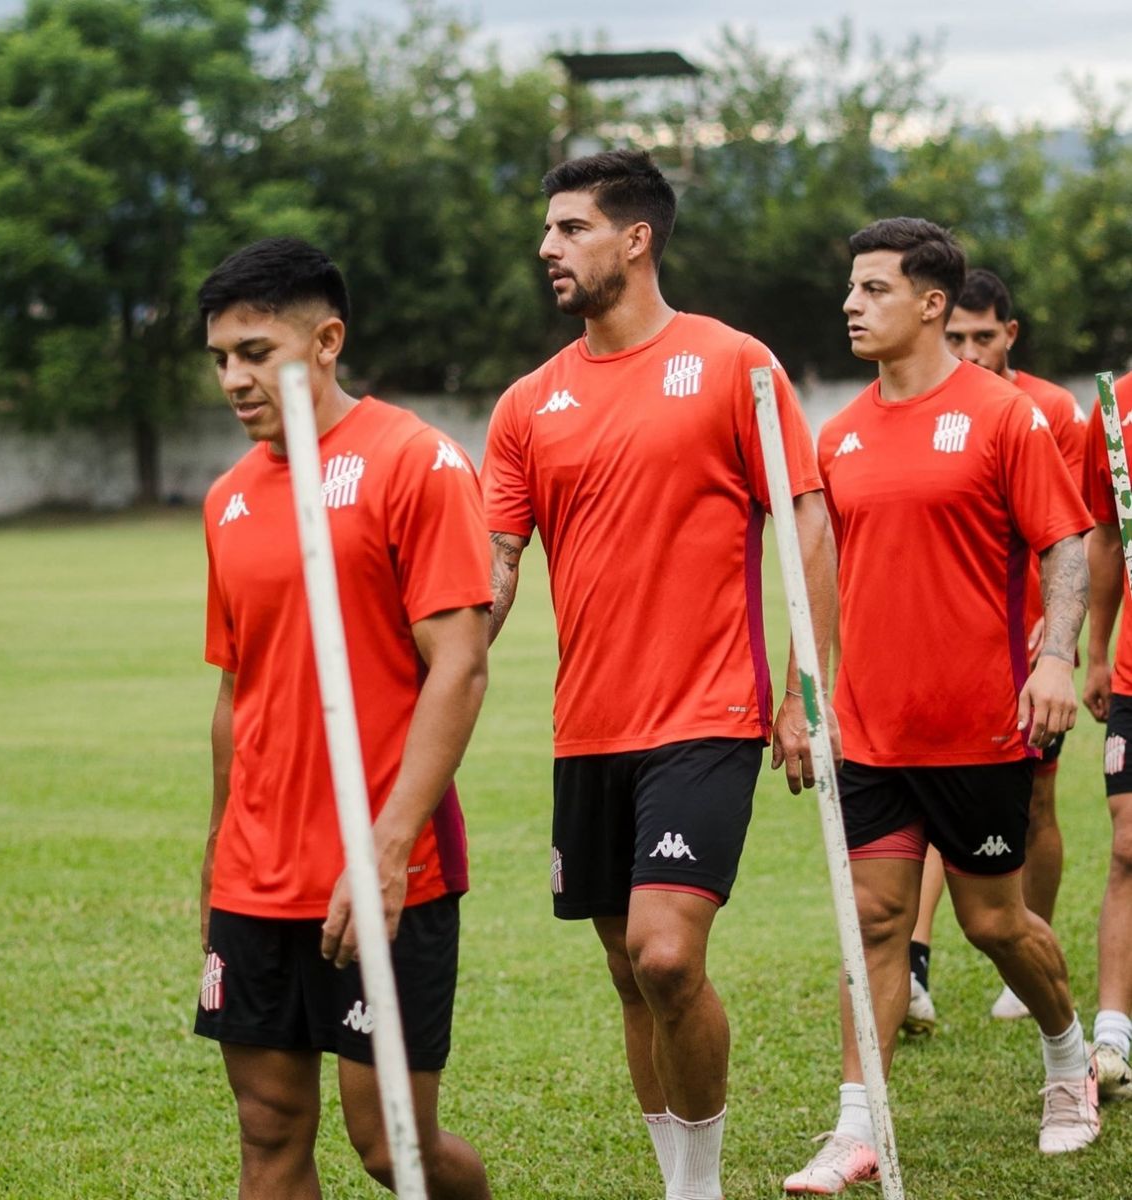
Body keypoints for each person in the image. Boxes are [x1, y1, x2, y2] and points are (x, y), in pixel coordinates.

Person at [481, 148, 839, 1200]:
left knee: (667, 955)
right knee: (628, 974)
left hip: (707, 712)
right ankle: (677, 1178)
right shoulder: (525, 405)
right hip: (586, 726)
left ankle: (699, 1187)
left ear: (634, 239)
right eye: (547, 230)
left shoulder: (732, 364)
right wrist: (424, 666)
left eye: (570, 228)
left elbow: (807, 521)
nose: (547, 248)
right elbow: (493, 571)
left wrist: (801, 692)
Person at [784, 218, 1097, 1194]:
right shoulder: (836, 434)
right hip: (871, 731)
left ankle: (1066, 1061)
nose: (849, 304)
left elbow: (1066, 546)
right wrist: (805, 696)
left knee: (993, 924)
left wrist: (1053, 657)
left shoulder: (1003, 417)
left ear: (929, 303)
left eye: (872, 288)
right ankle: (853, 1127)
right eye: (849, 287)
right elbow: (821, 572)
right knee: (873, 922)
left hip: (976, 726)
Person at [194, 236, 494, 1199]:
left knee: (391, 1144)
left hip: (384, 859)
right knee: (268, 1129)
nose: (235, 379)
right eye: (221, 360)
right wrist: (215, 854)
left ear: (327, 340)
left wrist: (388, 847)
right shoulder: (229, 499)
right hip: (256, 872)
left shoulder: (415, 462)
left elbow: (461, 664)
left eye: (255, 351)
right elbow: (235, 694)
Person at [904, 268, 1089, 1031]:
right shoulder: (924, 402)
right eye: (958, 339)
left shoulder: (1048, 412)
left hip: (1029, 650)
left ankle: (1025, 948)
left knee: (1035, 802)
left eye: (986, 337)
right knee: (921, 805)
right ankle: (912, 962)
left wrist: (1064, 644)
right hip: (949, 648)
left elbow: (1068, 536)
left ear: (1010, 335)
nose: (971, 351)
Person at [1079, 368, 1132, 1102]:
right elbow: (1107, 533)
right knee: (1127, 843)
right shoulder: (1117, 404)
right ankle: (1114, 1031)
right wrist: (1096, 651)